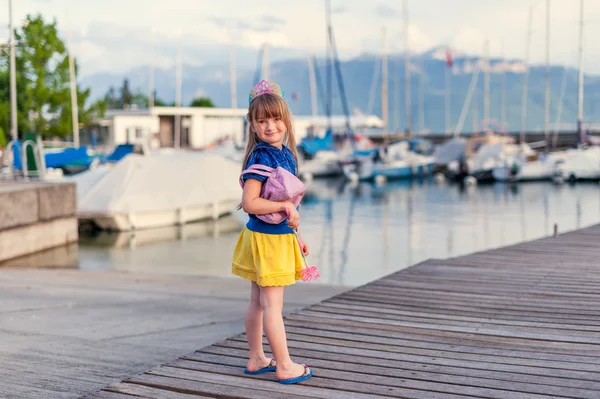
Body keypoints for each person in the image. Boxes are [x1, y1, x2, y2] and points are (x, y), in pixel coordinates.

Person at [231, 80, 313, 385]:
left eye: (276, 119)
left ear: (286, 121)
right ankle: (285, 365)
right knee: (272, 306)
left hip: (271, 237)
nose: (270, 126)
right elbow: (250, 202)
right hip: (268, 241)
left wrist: (298, 235)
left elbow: (286, 205)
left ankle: (256, 358)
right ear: (252, 125)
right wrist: (286, 206)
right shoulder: (263, 157)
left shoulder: (285, 155)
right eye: (262, 120)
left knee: (257, 301)